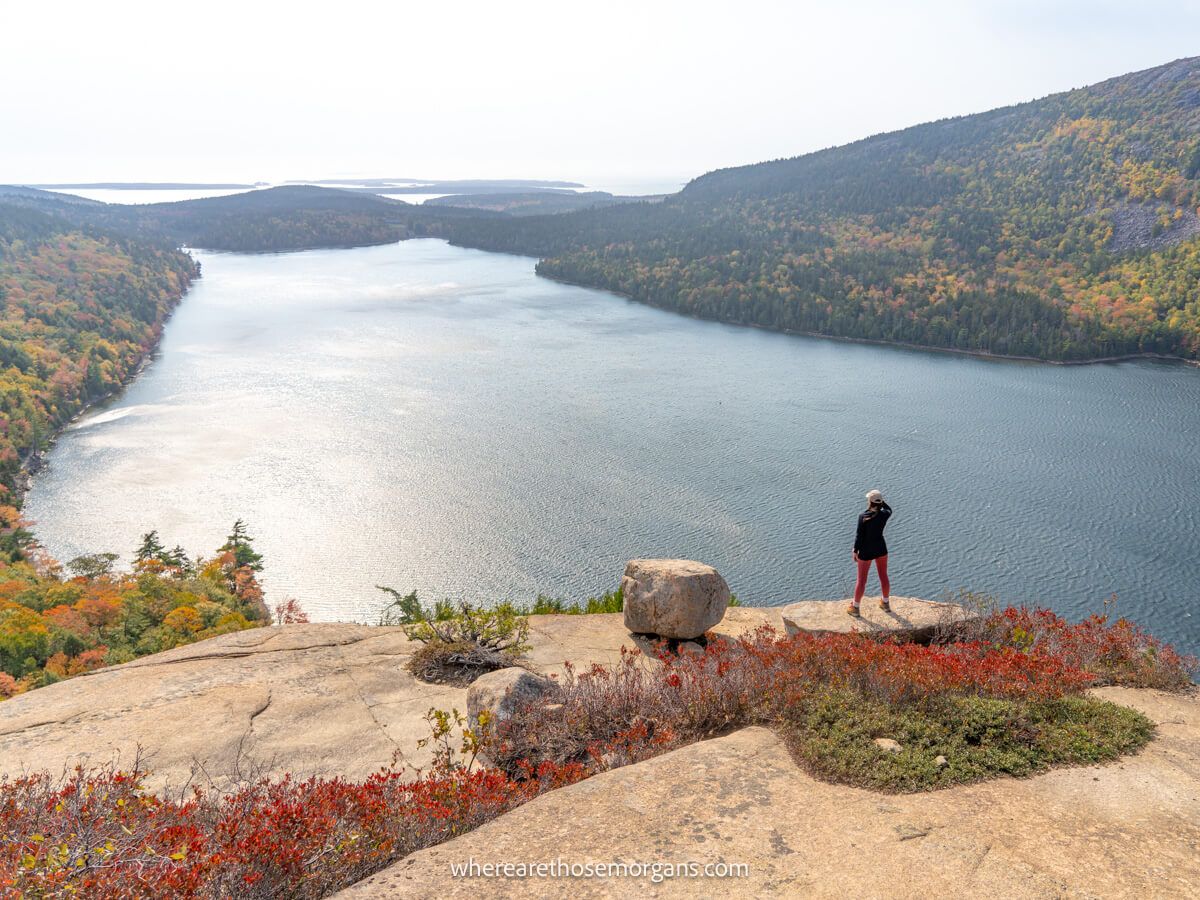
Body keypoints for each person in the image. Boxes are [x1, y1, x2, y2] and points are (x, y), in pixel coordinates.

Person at [849, 489, 891, 616]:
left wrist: (855, 550)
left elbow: (859, 536)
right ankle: (885, 603)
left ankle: (855, 608)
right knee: (883, 575)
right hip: (881, 548)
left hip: (866, 551)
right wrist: (881, 502)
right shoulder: (885, 514)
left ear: (870, 502)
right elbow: (889, 509)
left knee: (861, 580)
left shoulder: (863, 516)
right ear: (880, 502)